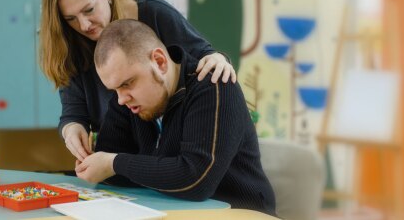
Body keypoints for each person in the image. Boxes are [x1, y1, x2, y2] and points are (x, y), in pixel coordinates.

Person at [74, 19, 276, 215]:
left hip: (242, 213)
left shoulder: (213, 84)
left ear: (160, 62)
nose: (120, 99)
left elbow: (196, 181)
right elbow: (112, 172)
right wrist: (100, 165)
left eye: (128, 83)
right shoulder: (128, 100)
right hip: (173, 212)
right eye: (115, 89)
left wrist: (114, 163)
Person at [39, 0, 237, 162]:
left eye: (89, 10)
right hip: (120, 152)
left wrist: (218, 59)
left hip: (172, 151)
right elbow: (73, 113)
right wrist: (72, 128)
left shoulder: (154, 12)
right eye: (70, 19)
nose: (84, 25)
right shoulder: (69, 43)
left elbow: (203, 56)